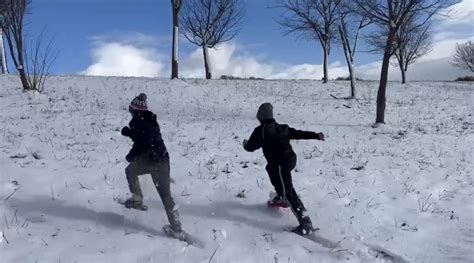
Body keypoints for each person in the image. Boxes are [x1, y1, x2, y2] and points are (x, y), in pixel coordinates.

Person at [243, 103, 325, 235]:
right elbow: (298, 134)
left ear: (260, 116)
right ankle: (281, 196)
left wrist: (245, 144)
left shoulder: (261, 131)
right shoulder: (282, 128)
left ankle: (305, 223)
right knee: (270, 169)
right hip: (289, 160)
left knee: (288, 189)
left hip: (282, 164)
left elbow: (250, 147)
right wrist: (316, 135)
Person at [121, 93, 183, 237]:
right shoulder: (150, 120)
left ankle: (137, 200)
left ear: (135, 110)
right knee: (166, 196)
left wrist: (131, 156)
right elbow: (144, 136)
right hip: (163, 161)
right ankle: (177, 228)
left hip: (150, 161)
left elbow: (142, 143)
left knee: (130, 171)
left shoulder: (137, 122)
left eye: (131, 110)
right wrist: (130, 133)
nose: (130, 113)